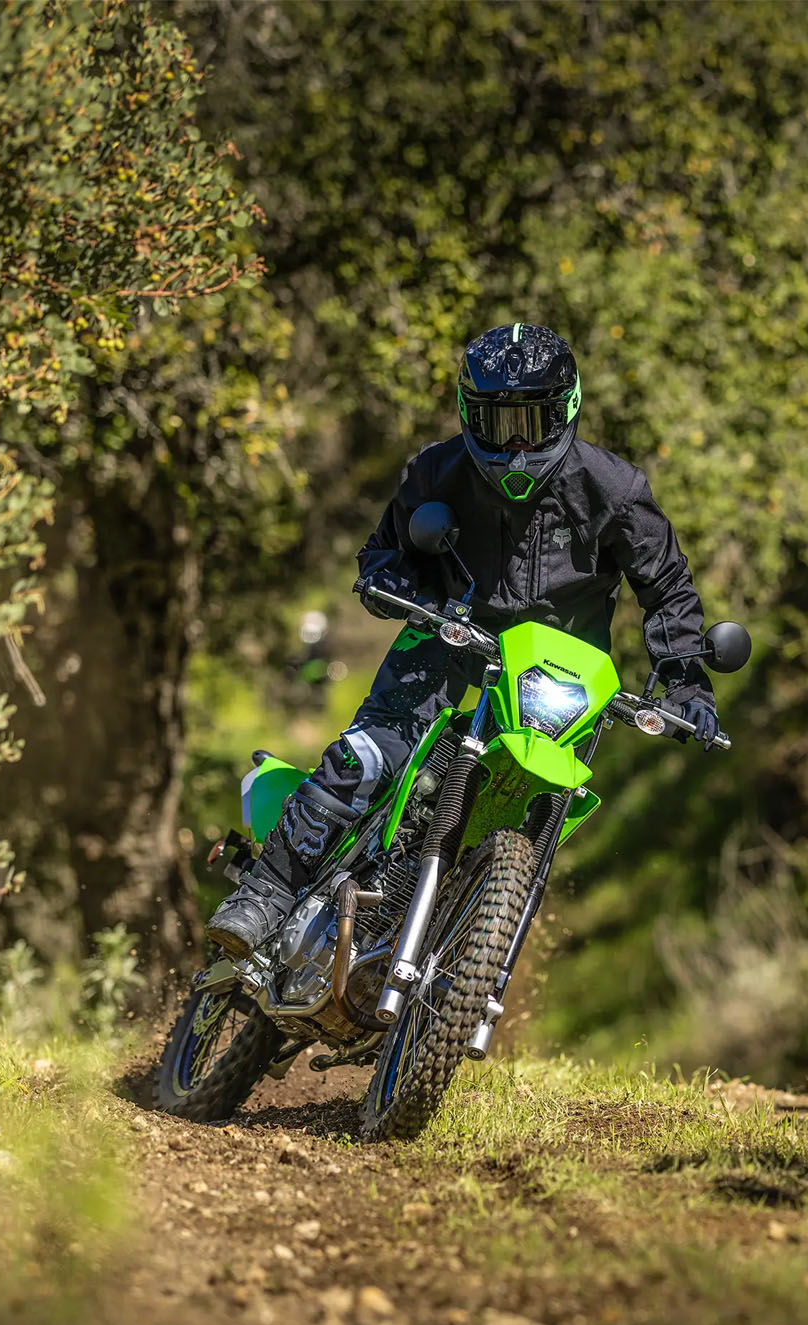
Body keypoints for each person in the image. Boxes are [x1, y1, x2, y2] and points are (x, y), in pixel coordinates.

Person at [205, 322, 720, 959]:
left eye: (531, 421)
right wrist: (392, 583)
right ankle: (264, 895)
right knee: (364, 758)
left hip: (558, 676)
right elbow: (382, 554)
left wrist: (688, 681)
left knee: (539, 817)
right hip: (448, 640)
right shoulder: (435, 472)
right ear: (467, 414)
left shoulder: (615, 490)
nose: (515, 445)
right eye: (497, 423)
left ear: (567, 408)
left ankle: (459, 965)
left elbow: (667, 587)